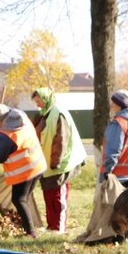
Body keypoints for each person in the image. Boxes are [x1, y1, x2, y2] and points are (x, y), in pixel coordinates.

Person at [74, 89, 128, 245]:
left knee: (115, 209)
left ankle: (114, 237)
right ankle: (126, 236)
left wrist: (107, 172)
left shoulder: (119, 123)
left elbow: (113, 151)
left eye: (113, 103)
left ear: (119, 104)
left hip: (118, 174)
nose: (111, 106)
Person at [30, 87, 87, 233]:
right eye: (36, 101)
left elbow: (62, 140)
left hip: (59, 163)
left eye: (39, 101)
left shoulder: (59, 113)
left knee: (57, 196)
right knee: (48, 195)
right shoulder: (43, 114)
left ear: (46, 99)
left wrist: (56, 161)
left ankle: (58, 228)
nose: (37, 104)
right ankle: (51, 226)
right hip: (47, 163)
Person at [0, 102, 48, 238]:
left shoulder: (6, 135)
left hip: (25, 170)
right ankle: (29, 227)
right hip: (38, 164)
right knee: (24, 198)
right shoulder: (21, 116)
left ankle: (31, 232)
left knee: (19, 199)